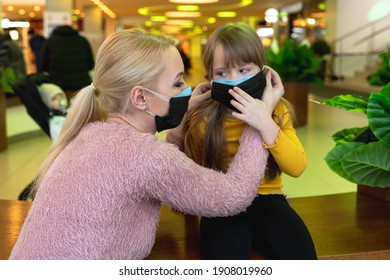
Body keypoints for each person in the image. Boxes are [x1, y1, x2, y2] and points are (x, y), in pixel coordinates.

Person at [9, 28, 275, 260]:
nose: (187, 89)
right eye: (177, 83)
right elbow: (234, 195)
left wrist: (180, 120)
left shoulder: (88, 134)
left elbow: (165, 174)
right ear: (140, 98)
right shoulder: (146, 157)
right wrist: (259, 120)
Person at [181, 22, 317, 260]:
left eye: (244, 70)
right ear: (209, 78)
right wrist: (184, 117)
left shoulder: (278, 110)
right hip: (221, 201)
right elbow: (191, 174)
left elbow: (297, 167)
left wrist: (265, 121)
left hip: (268, 198)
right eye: (223, 73)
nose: (234, 81)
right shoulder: (203, 117)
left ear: (264, 72)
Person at [41, 25, 94, 97]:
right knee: (80, 106)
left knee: (61, 106)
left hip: (58, 84)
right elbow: (90, 64)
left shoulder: (50, 41)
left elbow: (43, 65)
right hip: (80, 84)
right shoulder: (82, 41)